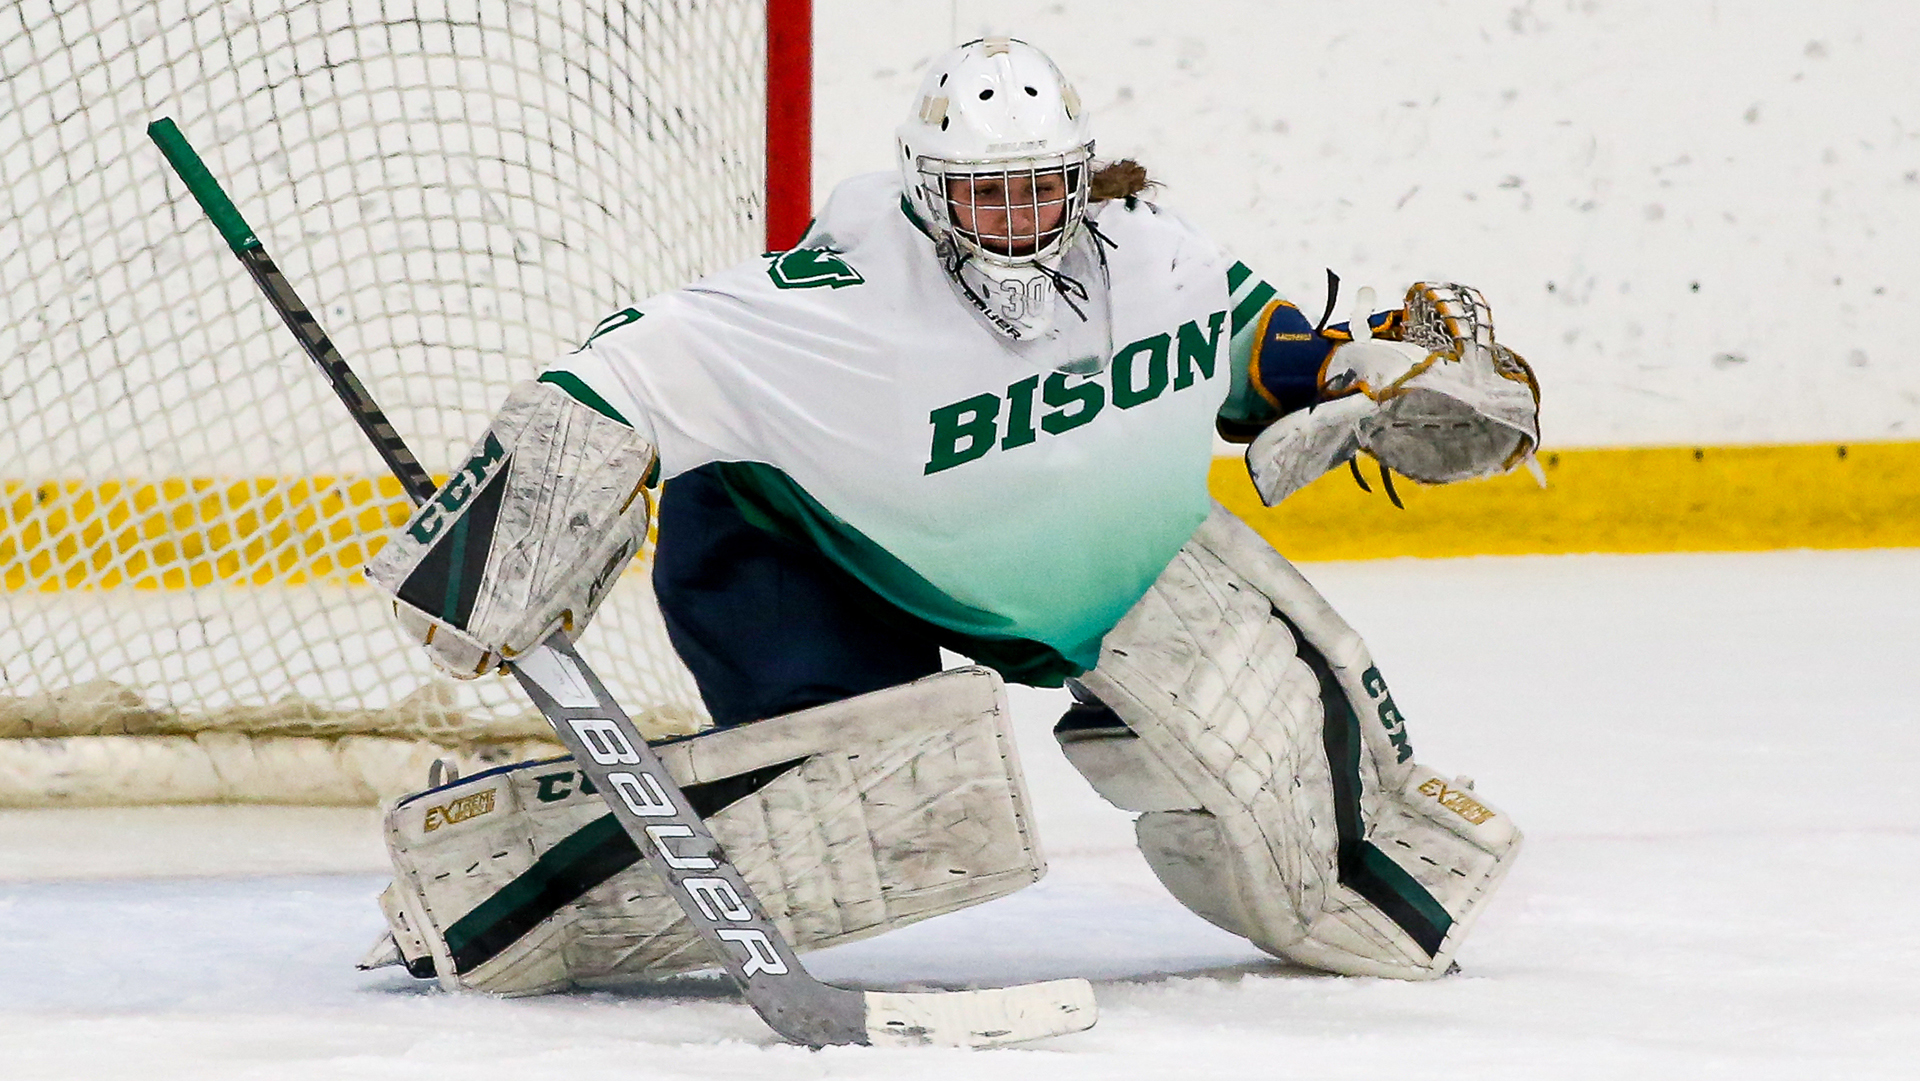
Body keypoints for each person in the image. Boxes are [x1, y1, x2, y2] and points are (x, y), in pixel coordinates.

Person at [359, 37, 1538, 995]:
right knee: (877, 817)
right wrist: (509, 520)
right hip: (812, 558)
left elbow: (1270, 355)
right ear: (929, 192)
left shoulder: (1158, 259)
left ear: (1083, 176)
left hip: (1082, 575)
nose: (1019, 216)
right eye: (986, 191)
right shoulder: (841, 301)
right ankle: (474, 883)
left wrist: (1365, 382)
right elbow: (629, 369)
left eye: (1041, 187)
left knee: (1338, 891)